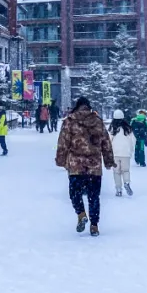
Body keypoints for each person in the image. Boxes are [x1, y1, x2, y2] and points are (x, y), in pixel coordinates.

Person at [55, 96, 115, 237]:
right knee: (94, 196)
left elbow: (63, 142)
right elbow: (106, 143)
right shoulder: (98, 122)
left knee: (75, 193)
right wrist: (108, 160)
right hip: (94, 166)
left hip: (76, 165)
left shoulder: (70, 121)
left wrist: (61, 159)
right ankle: (94, 225)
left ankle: (81, 213)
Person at [109, 110, 135, 197]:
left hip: (115, 153)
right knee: (126, 170)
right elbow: (133, 140)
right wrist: (131, 150)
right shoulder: (128, 128)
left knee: (116, 172)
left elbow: (109, 140)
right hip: (126, 153)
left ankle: (118, 189)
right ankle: (127, 182)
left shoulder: (112, 128)